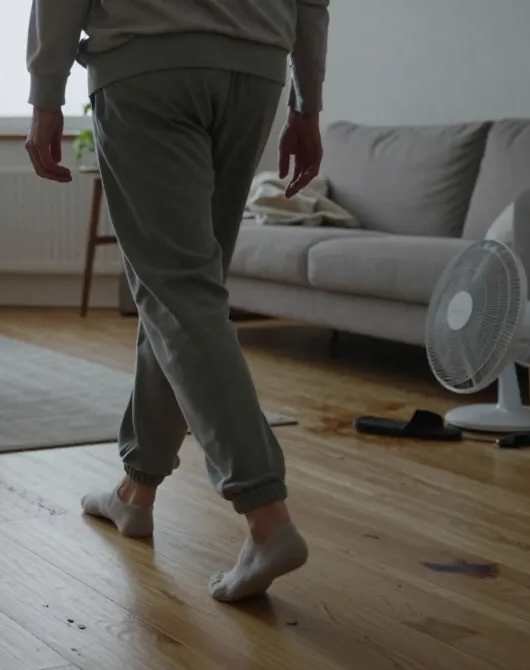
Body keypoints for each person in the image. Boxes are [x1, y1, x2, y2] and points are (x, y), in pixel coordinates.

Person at [25, 0, 329, 602]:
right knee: (184, 293)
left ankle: (267, 518)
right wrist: (307, 101)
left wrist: (45, 95)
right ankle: (136, 492)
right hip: (256, 69)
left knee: (179, 291)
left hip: (146, 64)